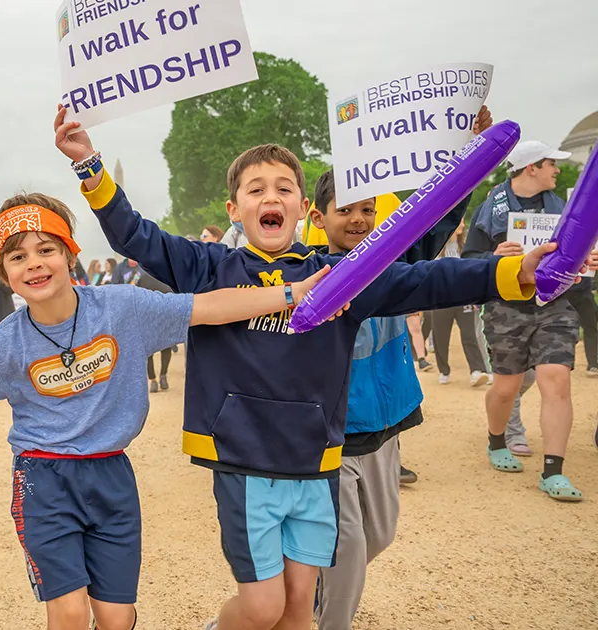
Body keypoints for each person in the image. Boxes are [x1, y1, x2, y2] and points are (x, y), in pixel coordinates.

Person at [55, 105, 550, 630]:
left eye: (284, 188)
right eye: (256, 188)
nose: (271, 196)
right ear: (234, 208)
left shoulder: (340, 276)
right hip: (243, 460)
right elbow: (134, 235)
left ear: (302, 208)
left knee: (298, 610)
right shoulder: (209, 267)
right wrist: (89, 165)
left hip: (315, 462)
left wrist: (514, 270)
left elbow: (426, 279)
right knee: (262, 607)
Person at [0, 193, 339, 630]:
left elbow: (207, 308)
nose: (34, 264)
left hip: (112, 474)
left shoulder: (122, 309)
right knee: (68, 612)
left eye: (47, 249)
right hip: (43, 478)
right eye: (17, 257)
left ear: (71, 255)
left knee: (116, 616)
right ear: (1, 272)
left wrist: (292, 293)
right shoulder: (4, 346)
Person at [303, 113, 489, 629]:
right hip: (330, 439)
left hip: (386, 431)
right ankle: (309, 619)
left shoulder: (397, 261)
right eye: (346, 210)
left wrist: (469, 151)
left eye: (368, 208)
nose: (359, 219)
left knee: (378, 536)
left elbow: (441, 216)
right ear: (319, 217)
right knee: (345, 552)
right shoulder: (306, 274)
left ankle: (286, 609)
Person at [463, 140, 598, 502]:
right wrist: (493, 255)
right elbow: (468, 258)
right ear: (531, 168)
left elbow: (575, 255)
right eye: (551, 164)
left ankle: (553, 470)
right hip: (506, 307)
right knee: (506, 388)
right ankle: (497, 440)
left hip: (555, 306)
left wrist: (589, 259)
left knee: (556, 380)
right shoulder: (491, 208)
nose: (557, 170)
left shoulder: (566, 209)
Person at [429, 222, 492, 386]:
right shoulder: (435, 248)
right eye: (460, 222)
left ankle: (477, 370)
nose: (463, 225)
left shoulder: (465, 248)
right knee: (441, 336)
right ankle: (444, 371)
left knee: (469, 334)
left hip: (464, 298)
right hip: (441, 300)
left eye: (464, 222)